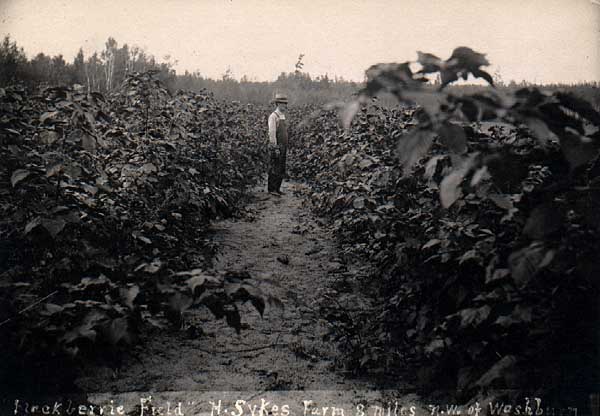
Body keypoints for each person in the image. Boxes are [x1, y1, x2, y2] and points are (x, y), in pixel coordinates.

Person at [267, 93, 289, 194]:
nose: (285, 105)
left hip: (283, 146)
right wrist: (275, 147)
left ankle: (277, 188)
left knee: (281, 167)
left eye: (285, 104)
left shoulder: (282, 116)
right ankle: (272, 189)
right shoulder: (273, 116)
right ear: (277, 104)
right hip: (277, 146)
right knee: (275, 167)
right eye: (283, 104)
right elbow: (272, 133)